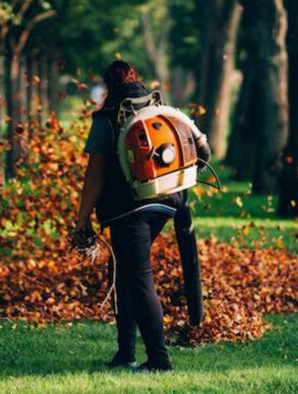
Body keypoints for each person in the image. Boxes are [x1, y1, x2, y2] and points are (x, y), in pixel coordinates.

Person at [74, 61, 206, 372]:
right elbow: (201, 149)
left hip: (129, 209)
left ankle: (160, 361)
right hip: (169, 202)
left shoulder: (107, 119)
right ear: (137, 80)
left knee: (138, 277)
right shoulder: (163, 110)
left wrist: (82, 221)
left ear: (108, 88)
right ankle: (125, 354)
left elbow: (95, 177)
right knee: (122, 272)